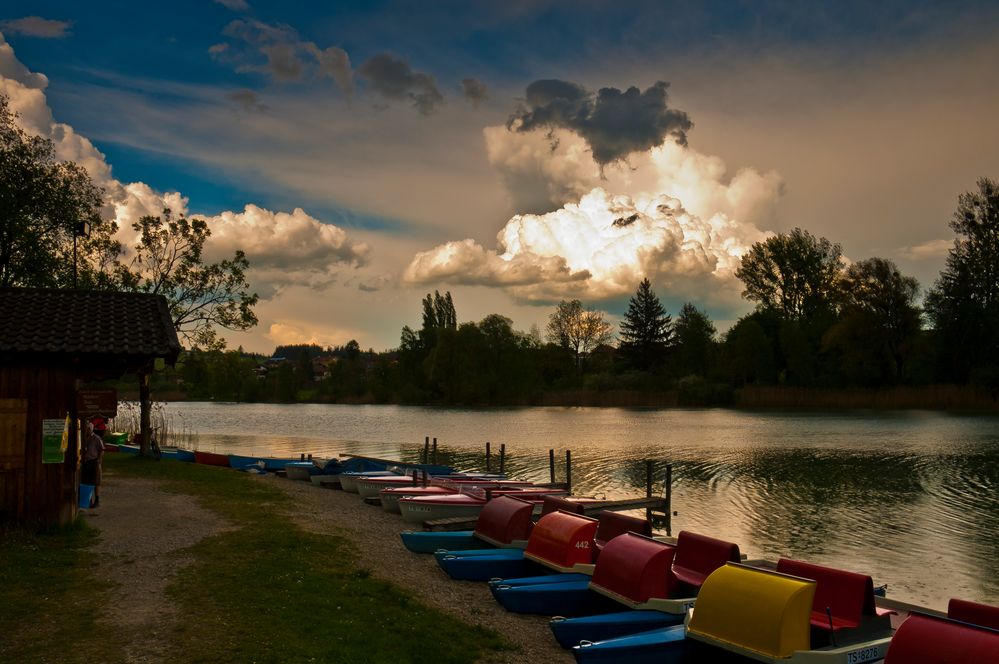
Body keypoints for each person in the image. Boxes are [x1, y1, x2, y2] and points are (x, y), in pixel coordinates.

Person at [81, 421, 105, 508]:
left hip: (94, 461)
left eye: (87, 429)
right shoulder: (84, 438)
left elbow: (102, 450)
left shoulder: (96, 438)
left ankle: (97, 500)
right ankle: (89, 500)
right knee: (87, 481)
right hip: (86, 462)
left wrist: (99, 460)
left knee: (96, 481)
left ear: (90, 429)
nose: (86, 430)